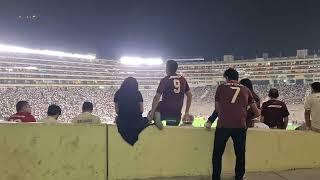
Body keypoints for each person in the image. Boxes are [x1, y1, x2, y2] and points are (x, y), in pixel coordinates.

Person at [205, 68, 260, 180]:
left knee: (217, 155)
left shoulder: (221, 88)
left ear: (227, 78)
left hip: (223, 126)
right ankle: (239, 177)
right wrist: (245, 117)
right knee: (240, 155)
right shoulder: (246, 89)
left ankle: (216, 178)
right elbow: (257, 112)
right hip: (240, 126)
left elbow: (217, 108)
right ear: (237, 78)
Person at [148, 60, 193, 126]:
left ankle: (156, 115)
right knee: (171, 132)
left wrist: (152, 112)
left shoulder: (165, 80)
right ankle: (157, 116)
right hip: (176, 114)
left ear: (167, 68)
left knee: (150, 113)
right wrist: (186, 112)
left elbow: (156, 97)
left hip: (164, 111)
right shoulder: (183, 80)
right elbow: (190, 96)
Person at [114, 77, 153, 146]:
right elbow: (141, 110)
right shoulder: (138, 93)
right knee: (148, 119)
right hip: (137, 123)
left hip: (123, 123)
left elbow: (117, 110)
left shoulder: (117, 93)